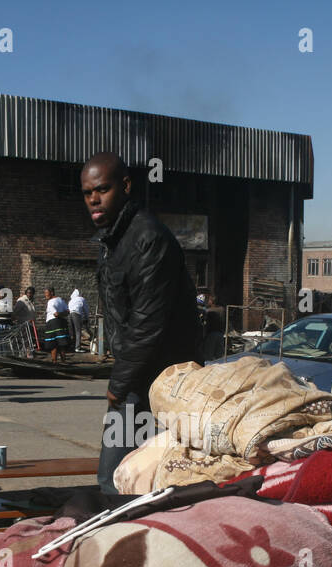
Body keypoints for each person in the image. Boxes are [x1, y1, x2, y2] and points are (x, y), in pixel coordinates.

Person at [81, 151, 200, 493]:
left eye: (102, 189)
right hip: (138, 377)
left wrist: (118, 385)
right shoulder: (113, 241)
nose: (94, 199)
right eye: (88, 193)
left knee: (117, 478)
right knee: (132, 477)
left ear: (126, 186)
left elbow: (147, 322)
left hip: (161, 380)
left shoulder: (148, 239)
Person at [42, 287, 70, 362]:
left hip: (52, 323)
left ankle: (54, 361)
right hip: (62, 322)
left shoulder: (50, 302)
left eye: (46, 293)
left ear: (51, 292)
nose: (45, 295)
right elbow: (67, 311)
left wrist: (58, 314)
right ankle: (63, 361)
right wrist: (62, 315)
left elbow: (56, 314)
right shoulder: (61, 300)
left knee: (52, 343)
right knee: (61, 342)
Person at [67, 288, 88, 352]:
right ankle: (77, 348)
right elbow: (86, 309)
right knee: (78, 331)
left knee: (72, 331)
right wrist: (87, 317)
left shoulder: (71, 301)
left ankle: (73, 346)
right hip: (76, 314)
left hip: (70, 314)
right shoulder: (81, 299)